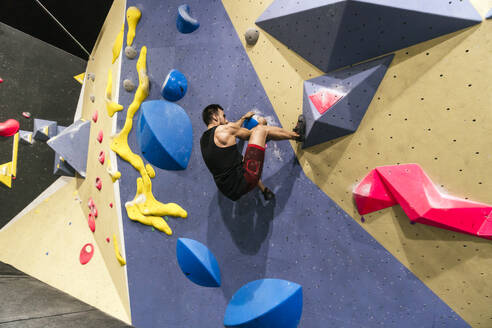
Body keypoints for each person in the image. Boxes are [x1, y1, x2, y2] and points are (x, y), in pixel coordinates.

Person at [200, 104, 305, 201]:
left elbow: (232, 130)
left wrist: (243, 119)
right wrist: (261, 124)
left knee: (236, 159)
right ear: (215, 116)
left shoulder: (203, 140)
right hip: (245, 181)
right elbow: (250, 134)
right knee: (261, 131)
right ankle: (297, 135)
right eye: (223, 116)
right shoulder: (223, 130)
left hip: (229, 191)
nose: (226, 120)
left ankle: (264, 191)